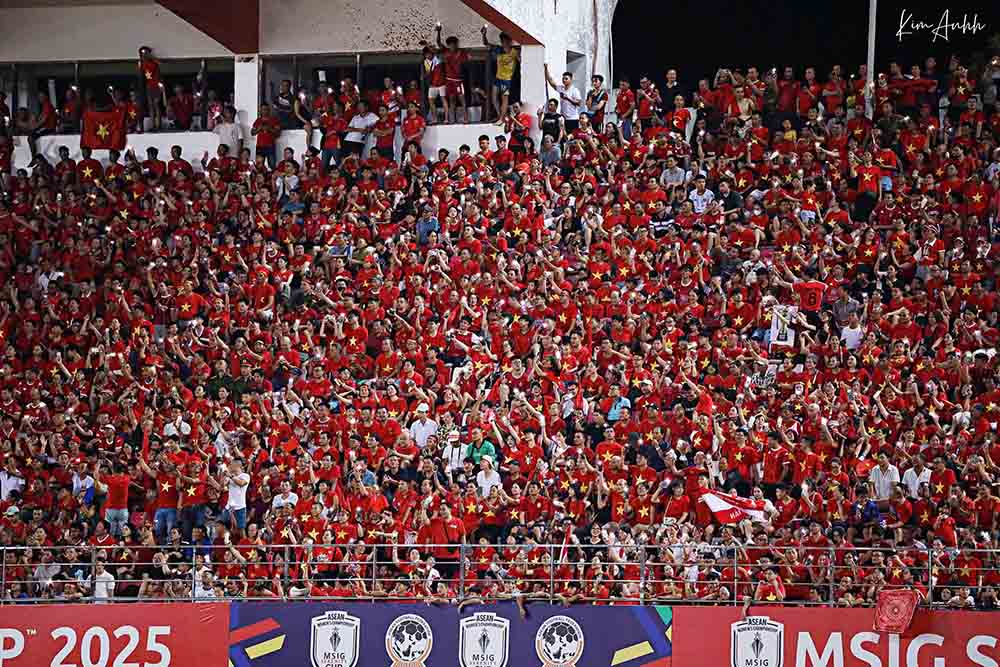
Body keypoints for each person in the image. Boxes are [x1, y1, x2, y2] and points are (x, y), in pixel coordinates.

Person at [482, 27, 520, 123]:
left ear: (510, 41)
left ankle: (502, 118)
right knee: (494, 97)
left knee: (504, 99)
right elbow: (486, 44)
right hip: (498, 77)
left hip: (507, 79)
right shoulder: (498, 49)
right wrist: (484, 34)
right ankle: (501, 116)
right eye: (502, 41)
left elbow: (522, 62)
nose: (504, 43)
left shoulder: (514, 52)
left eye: (506, 41)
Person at [436, 26, 469, 123]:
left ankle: (465, 118)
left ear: (456, 44)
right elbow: (438, 43)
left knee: (462, 99)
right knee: (452, 100)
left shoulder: (461, 53)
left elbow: (469, 57)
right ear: (448, 45)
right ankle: (452, 119)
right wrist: (438, 31)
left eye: (454, 44)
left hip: (458, 81)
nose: (452, 46)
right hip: (449, 80)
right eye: (450, 45)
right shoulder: (446, 51)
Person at [543, 65, 582, 133]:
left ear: (571, 79)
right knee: (562, 135)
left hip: (572, 119)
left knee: (571, 136)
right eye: (563, 79)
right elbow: (551, 81)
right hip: (563, 117)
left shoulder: (575, 90)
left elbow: (579, 103)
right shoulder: (561, 88)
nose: (564, 80)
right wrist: (546, 69)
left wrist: (567, 98)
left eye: (566, 79)